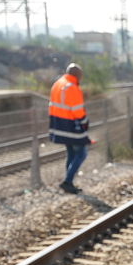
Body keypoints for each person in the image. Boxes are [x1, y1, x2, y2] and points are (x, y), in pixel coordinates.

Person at [48, 63, 89, 194]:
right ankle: (67, 182)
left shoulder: (58, 83)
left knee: (71, 154)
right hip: (71, 127)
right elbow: (77, 111)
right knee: (81, 154)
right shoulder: (71, 87)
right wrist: (85, 122)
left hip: (58, 124)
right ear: (77, 75)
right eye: (80, 76)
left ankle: (69, 182)